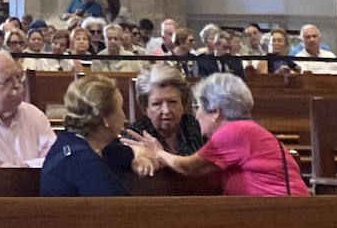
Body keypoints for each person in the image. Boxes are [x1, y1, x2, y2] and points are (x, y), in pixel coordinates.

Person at [130, 73, 308, 195]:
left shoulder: (234, 131)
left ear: (215, 111)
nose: (197, 115)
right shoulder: (245, 129)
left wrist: (158, 151)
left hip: (283, 214)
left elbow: (187, 167)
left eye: (198, 107)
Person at [41, 75, 154, 195]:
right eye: (120, 108)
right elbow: (117, 210)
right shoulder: (85, 164)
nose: (124, 116)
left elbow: (136, 152)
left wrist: (141, 158)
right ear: (106, 119)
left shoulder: (71, 142)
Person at [128, 63, 203, 155]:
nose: (166, 110)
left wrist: (161, 155)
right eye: (157, 104)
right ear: (145, 107)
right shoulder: (135, 135)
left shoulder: (198, 128)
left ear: (183, 103)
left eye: (172, 102)